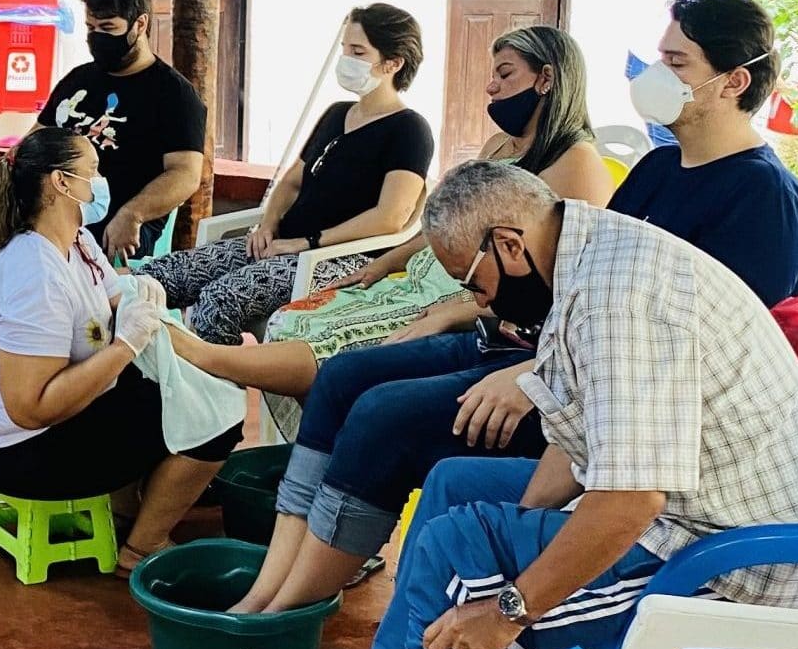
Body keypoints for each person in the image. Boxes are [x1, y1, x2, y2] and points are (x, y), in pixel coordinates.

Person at [373, 161, 798, 649]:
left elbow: (632, 500)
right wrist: (521, 533)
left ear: (509, 245)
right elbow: (580, 443)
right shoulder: (583, 254)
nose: (480, 300)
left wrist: (511, 607)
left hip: (734, 569)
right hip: (695, 509)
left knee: (454, 549)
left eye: (472, 282)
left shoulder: (618, 299)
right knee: (453, 484)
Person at [175, 25, 612, 435]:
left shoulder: (578, 163)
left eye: (505, 74)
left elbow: (562, 281)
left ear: (547, 79)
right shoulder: (500, 146)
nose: (491, 88)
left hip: (467, 291)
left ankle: (219, 364)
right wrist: (382, 265)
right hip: (421, 274)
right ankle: (320, 442)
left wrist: (460, 311)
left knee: (345, 344)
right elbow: (445, 223)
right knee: (295, 318)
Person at [0, 127, 244, 573]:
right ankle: (141, 548)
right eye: (91, 172)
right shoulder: (34, 274)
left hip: (37, 428)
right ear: (61, 183)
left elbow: (113, 296)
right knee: (217, 416)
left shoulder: (78, 240)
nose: (99, 184)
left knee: (185, 387)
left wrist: (138, 294)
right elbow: (29, 408)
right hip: (16, 452)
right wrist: (125, 345)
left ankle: (127, 508)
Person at [137, 3, 433, 344]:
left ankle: (217, 390)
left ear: (393, 63)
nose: (345, 59)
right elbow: (292, 181)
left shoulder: (410, 130)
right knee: (156, 277)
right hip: (283, 243)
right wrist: (267, 225)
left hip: (338, 258)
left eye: (358, 51)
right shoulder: (337, 114)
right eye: (344, 49)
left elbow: (390, 217)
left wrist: (307, 243)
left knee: (216, 302)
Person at [612, 0, 798, 306]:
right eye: (661, 59)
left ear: (734, 83)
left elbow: (720, 333)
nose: (656, 74)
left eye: (676, 62)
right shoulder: (657, 165)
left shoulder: (768, 200)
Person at [41, 0, 204, 261]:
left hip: (118, 232)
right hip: (50, 227)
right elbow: (35, 141)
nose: (97, 37)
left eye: (108, 28)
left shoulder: (174, 95)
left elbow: (186, 173)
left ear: (140, 24)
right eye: (91, 28)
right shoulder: (77, 81)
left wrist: (134, 213)